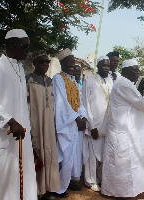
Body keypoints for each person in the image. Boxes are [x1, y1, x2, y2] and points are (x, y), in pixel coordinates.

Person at [101, 59, 144, 199]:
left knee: (128, 162)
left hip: (126, 130)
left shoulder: (125, 84)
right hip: (122, 131)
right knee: (122, 163)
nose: (138, 73)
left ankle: (126, 190)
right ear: (126, 71)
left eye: (138, 70)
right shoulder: (124, 84)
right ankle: (120, 192)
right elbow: (141, 102)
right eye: (135, 70)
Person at [0, 29, 38, 199]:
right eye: (25, 47)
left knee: (23, 177)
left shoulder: (20, 70)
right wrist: (10, 121)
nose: (27, 51)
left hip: (21, 136)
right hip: (2, 134)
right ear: (12, 44)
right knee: (1, 181)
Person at [52, 48, 88, 198]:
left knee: (72, 155)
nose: (72, 65)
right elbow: (61, 103)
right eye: (69, 62)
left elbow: (79, 102)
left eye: (73, 62)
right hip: (65, 123)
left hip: (74, 122)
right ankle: (57, 187)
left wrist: (84, 116)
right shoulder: (58, 78)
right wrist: (76, 117)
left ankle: (66, 183)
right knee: (63, 155)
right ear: (62, 63)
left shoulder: (73, 80)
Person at [26, 50, 61, 199]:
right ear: (34, 63)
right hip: (35, 123)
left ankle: (49, 187)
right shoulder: (28, 80)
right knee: (38, 151)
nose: (45, 64)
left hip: (49, 124)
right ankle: (37, 189)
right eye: (41, 61)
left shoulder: (50, 81)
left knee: (50, 152)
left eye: (47, 62)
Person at [83, 56, 111, 192]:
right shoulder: (89, 81)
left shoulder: (110, 81)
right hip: (94, 124)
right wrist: (91, 125)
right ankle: (90, 180)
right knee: (92, 154)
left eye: (108, 66)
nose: (106, 68)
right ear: (98, 66)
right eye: (104, 65)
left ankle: (100, 179)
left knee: (104, 154)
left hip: (107, 124)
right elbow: (86, 104)